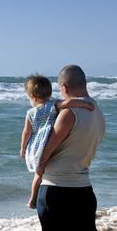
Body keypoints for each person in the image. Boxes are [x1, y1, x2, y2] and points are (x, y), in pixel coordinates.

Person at [35, 64, 106, 231]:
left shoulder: (69, 114)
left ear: (64, 87)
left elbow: (45, 151)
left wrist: (36, 169)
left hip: (57, 188)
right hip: (83, 187)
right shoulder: (96, 110)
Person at [20, 74, 94, 208]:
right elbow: (69, 103)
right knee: (41, 171)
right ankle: (33, 198)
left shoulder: (30, 113)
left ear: (33, 97)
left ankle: (32, 198)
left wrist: (23, 148)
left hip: (36, 147)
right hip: (48, 143)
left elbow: (27, 132)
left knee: (38, 173)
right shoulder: (53, 104)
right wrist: (85, 104)